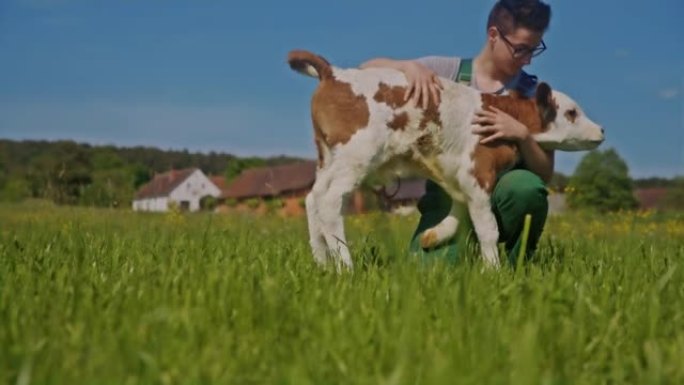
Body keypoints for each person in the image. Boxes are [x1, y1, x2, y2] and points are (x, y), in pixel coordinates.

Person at [360, 0, 553, 265]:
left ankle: (513, 266)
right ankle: (461, 246)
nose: (528, 59)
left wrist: (522, 134)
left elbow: (544, 173)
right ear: (494, 35)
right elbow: (364, 72)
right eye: (520, 49)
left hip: (504, 193)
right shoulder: (446, 72)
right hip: (448, 199)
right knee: (431, 276)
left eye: (535, 49)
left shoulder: (534, 94)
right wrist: (406, 66)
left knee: (526, 189)